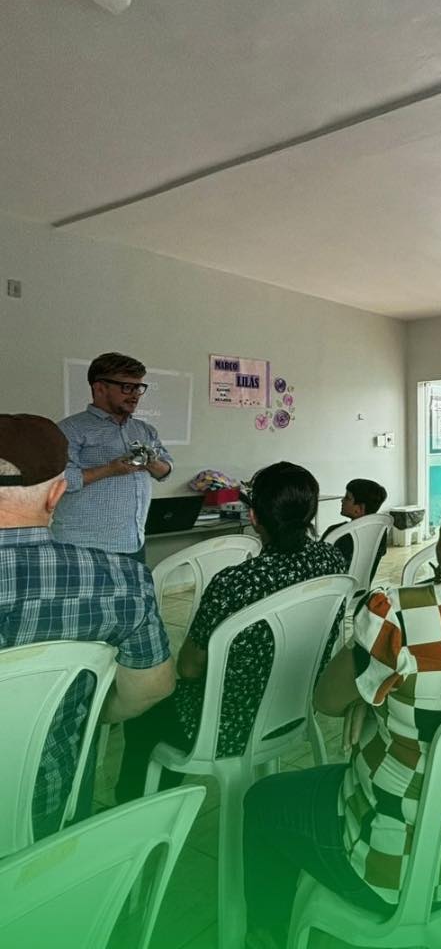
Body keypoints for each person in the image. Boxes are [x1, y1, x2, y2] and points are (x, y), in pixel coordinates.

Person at [241, 472, 441, 949]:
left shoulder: (399, 614)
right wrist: (372, 693)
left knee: (262, 801)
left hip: (387, 864)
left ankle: (263, 935)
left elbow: (327, 700)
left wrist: (367, 693)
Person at [115, 461, 346, 802]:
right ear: (311, 513)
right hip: (293, 707)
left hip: (227, 725)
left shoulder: (233, 582)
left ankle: (140, 807)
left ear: (253, 517)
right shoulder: (332, 561)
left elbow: (189, 668)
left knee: (145, 712)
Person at [0, 414, 174, 837]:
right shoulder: (123, 581)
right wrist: (84, 713)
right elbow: (151, 688)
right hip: (47, 810)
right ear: (57, 493)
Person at [51, 352, 173, 564]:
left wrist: (151, 462)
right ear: (100, 388)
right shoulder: (71, 429)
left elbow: (166, 471)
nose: (135, 395)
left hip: (133, 542)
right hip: (84, 546)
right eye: (127, 387)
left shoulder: (144, 430)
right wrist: (110, 469)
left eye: (138, 388)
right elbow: (60, 480)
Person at [319, 477, 388, 582]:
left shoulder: (336, 533)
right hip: (362, 588)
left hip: (334, 589)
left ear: (359, 509)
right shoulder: (380, 533)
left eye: (347, 498)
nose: (342, 500)